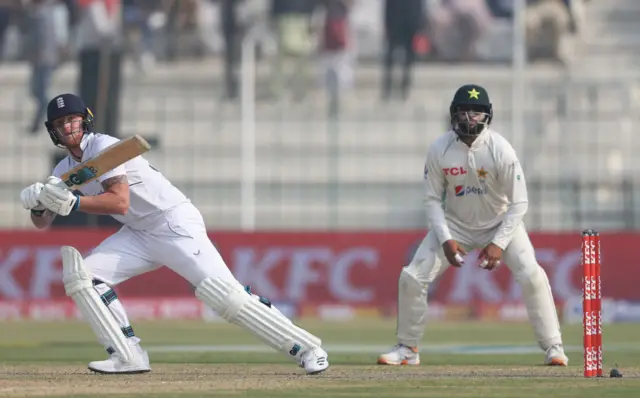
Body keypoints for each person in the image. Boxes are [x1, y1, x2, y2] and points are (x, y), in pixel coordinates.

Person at [19, 93, 329, 375]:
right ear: (53, 130)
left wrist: (73, 203)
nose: (67, 126)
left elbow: (120, 202)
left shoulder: (104, 147)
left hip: (173, 223)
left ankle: (308, 348)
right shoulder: (62, 170)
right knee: (82, 277)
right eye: (60, 123)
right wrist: (37, 205)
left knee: (225, 295)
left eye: (71, 119)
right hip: (138, 234)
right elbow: (42, 223)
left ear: (84, 119)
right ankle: (129, 355)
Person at [377, 85, 568, 367]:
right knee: (412, 277)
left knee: (532, 275)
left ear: (487, 116)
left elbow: (519, 203)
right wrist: (445, 238)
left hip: (499, 222)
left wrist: (499, 243)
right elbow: (431, 200)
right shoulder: (440, 149)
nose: (470, 118)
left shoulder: (501, 149)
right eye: (464, 111)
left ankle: (554, 347)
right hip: (455, 225)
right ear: (453, 114)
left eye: (477, 112)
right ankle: (408, 349)